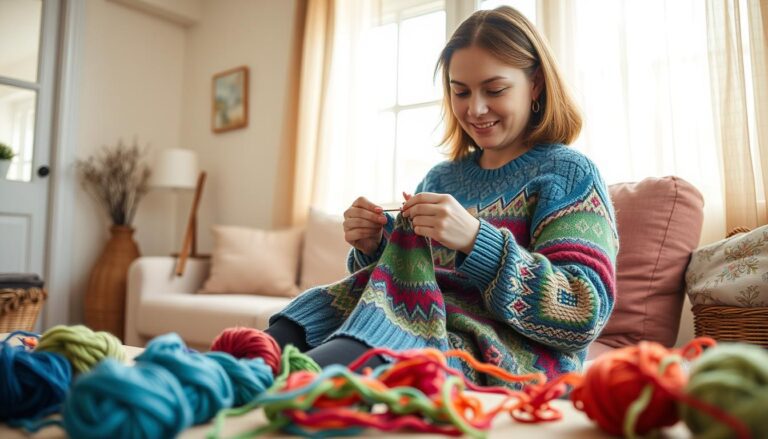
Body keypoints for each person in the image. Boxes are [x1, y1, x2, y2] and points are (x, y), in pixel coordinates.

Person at [265, 6, 618, 383]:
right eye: (460, 91)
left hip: (502, 352)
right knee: (262, 350)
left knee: (314, 375)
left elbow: (583, 311)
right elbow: (407, 278)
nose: (475, 108)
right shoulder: (441, 177)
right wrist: (373, 246)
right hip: (413, 321)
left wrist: (477, 241)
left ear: (535, 84)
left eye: (495, 90)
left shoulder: (568, 175)